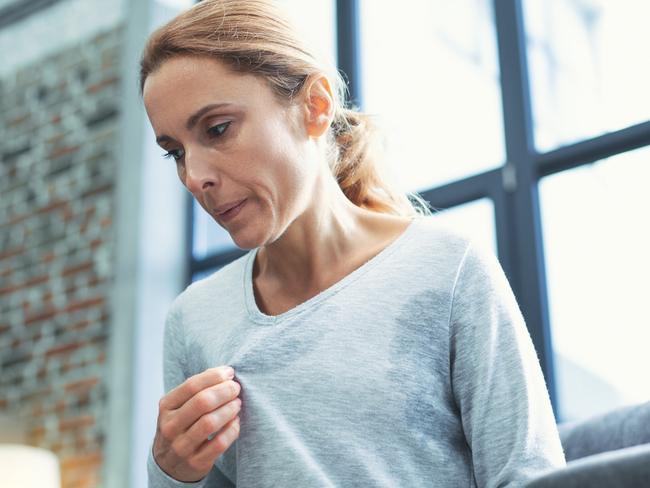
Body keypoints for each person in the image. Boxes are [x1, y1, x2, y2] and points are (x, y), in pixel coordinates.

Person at [140, 1, 566, 486]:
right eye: (175, 152)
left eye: (217, 129)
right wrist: (171, 470)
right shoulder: (193, 320)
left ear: (315, 106)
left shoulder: (447, 268)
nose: (194, 178)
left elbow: (530, 477)